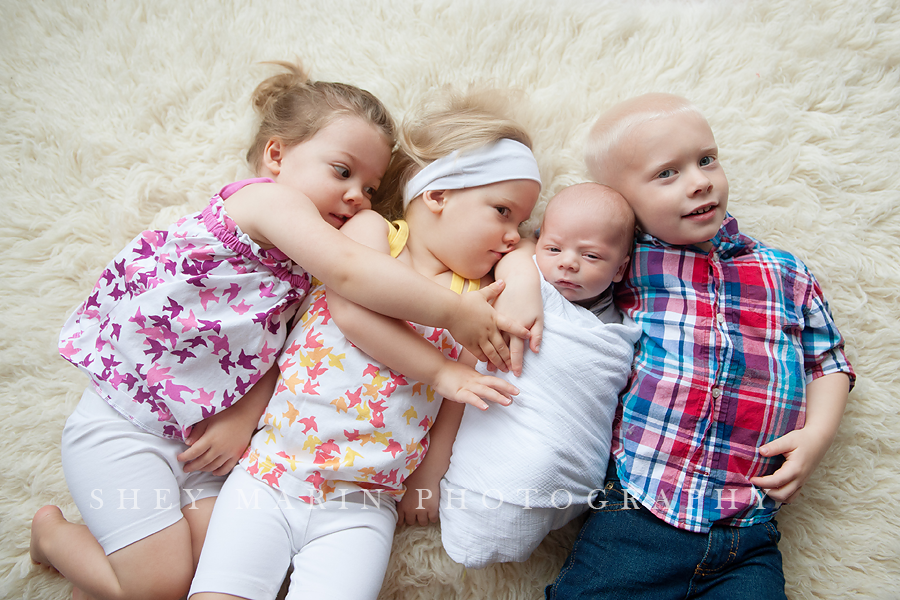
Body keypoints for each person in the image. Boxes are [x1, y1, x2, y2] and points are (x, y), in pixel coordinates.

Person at [29, 63, 529, 600]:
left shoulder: (296, 278)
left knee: (200, 565)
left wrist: (242, 420)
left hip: (203, 441)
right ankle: (53, 537)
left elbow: (280, 358)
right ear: (276, 156)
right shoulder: (268, 204)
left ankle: (103, 581)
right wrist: (453, 313)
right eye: (341, 172)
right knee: (163, 587)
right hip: (127, 417)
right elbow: (349, 272)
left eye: (370, 186)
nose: (358, 196)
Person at [187, 90, 541, 600]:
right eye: (503, 212)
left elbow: (454, 405)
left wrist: (431, 473)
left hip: (364, 504)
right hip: (271, 472)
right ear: (438, 195)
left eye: (520, 224)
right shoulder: (372, 233)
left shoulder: (478, 301)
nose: (511, 236)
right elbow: (342, 317)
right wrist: (243, 418)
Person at [545, 93, 856, 599]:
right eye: (667, 173)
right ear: (625, 204)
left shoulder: (785, 271)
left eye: (706, 159)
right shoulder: (625, 265)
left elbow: (829, 362)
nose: (700, 180)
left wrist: (816, 436)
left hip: (748, 528)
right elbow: (542, 266)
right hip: (640, 512)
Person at [402, 183, 642, 569]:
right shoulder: (516, 282)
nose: (568, 263)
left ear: (621, 268)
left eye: (592, 255)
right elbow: (469, 375)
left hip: (575, 479)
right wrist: (430, 472)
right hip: (497, 461)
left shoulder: (619, 333)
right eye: (553, 249)